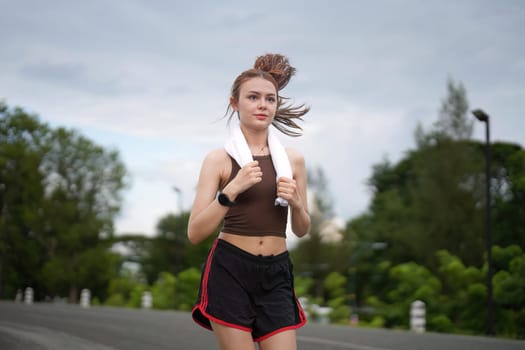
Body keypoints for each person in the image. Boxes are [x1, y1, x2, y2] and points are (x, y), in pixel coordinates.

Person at [188, 53, 311, 350]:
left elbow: (302, 229)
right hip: (230, 270)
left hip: (276, 272)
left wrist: (295, 203)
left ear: (276, 105)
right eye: (253, 97)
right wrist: (230, 191)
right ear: (235, 103)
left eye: (270, 99)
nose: (262, 105)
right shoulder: (218, 160)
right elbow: (195, 233)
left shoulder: (293, 160)